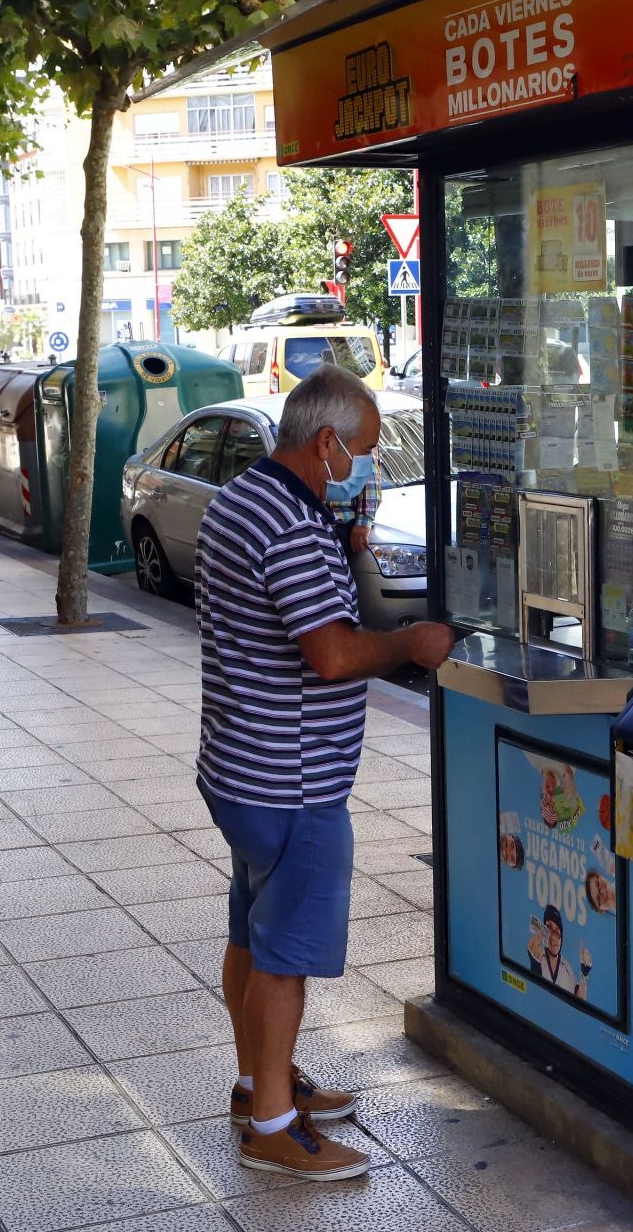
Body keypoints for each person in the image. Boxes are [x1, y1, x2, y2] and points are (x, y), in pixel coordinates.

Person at [193, 365, 454, 1182]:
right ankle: (272, 1127)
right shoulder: (295, 529)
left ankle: (255, 1085)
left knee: (251, 931)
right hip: (292, 781)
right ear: (327, 442)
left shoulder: (243, 499)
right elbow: (333, 654)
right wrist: (409, 644)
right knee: (285, 956)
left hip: (237, 764)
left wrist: (341, 554)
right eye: (365, 451)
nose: (367, 467)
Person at [525, 904, 591, 999]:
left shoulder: (565, 966)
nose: (553, 937)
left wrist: (584, 974)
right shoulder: (537, 955)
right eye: (549, 930)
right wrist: (535, 966)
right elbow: (532, 996)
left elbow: (579, 999)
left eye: (557, 931)